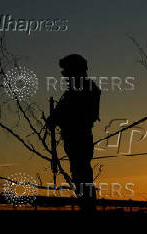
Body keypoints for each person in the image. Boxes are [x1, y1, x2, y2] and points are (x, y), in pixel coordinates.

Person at [47, 54, 100, 210]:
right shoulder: (73, 91)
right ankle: (86, 206)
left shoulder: (86, 90)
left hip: (80, 139)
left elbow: (85, 116)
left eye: (67, 72)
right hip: (73, 139)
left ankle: (88, 208)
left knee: (82, 175)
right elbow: (62, 113)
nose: (65, 77)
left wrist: (59, 118)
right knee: (79, 175)